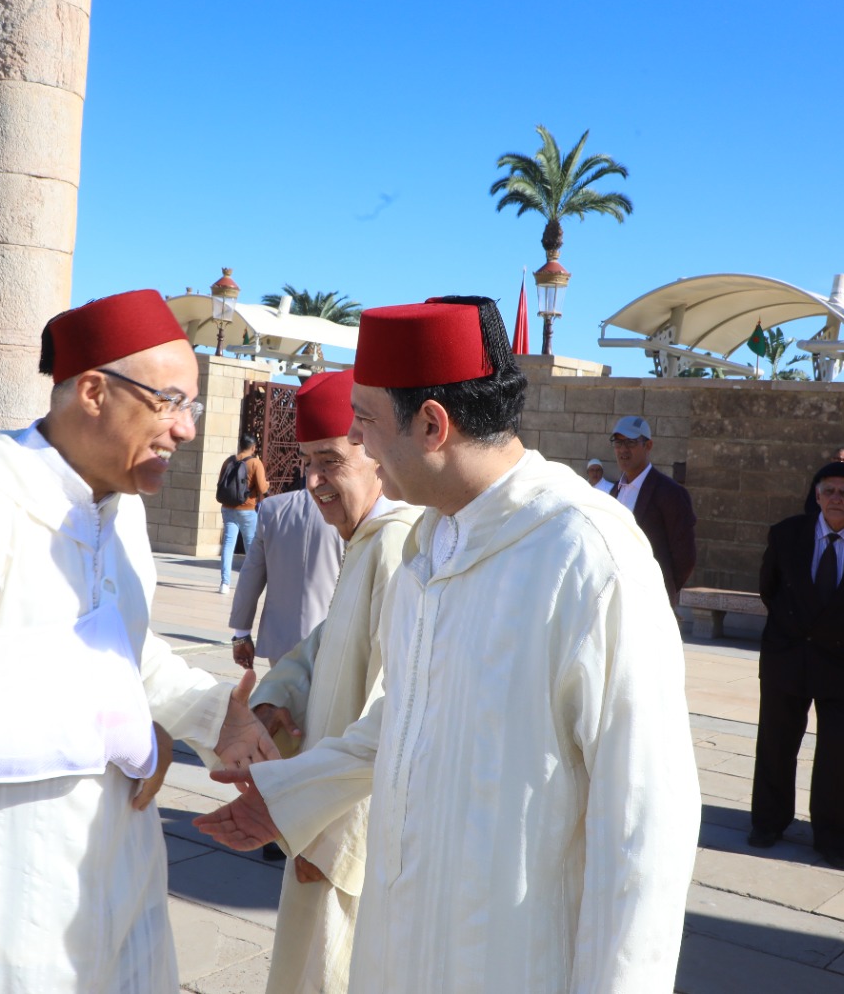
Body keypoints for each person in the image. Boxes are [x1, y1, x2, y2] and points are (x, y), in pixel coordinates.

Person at [194, 297, 700, 992]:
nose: (361, 441)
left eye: (366, 420)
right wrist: (285, 795)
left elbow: (645, 816)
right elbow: (398, 723)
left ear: (432, 424)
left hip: (509, 960)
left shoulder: (587, 555)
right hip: (401, 944)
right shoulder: (429, 546)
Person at [0, 289, 278, 994]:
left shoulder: (121, 510)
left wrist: (215, 716)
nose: (187, 430)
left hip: (109, 874)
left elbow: (123, 651)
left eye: (193, 406)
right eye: (169, 402)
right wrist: (129, 737)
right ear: (93, 391)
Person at [247, 369, 420, 994]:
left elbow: (387, 710)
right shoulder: (365, 539)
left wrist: (331, 842)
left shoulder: (397, 545)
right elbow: (323, 646)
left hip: (347, 841)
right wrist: (275, 700)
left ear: (373, 454)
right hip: (320, 816)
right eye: (306, 463)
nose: (314, 481)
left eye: (331, 462)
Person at [750, 460, 844, 870]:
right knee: (776, 742)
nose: (836, 498)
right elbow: (769, 589)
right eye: (828, 491)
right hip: (787, 655)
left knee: (838, 751)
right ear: (816, 496)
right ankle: (768, 822)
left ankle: (832, 838)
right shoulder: (786, 534)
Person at [228, 487, 343, 671]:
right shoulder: (351, 511)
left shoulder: (272, 508)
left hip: (281, 641)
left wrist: (241, 634)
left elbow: (250, 575)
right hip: (334, 640)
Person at [609, 414, 697, 606]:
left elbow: (685, 557)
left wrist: (662, 591)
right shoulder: (615, 492)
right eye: (618, 442)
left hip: (649, 601)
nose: (623, 450)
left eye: (631, 442)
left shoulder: (669, 492)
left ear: (648, 446)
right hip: (615, 598)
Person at [218, 436, 268, 594]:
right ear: (253, 448)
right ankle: (249, 582)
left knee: (228, 545)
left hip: (228, 508)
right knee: (251, 547)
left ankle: (224, 583)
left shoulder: (228, 461)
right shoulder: (255, 463)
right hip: (247, 510)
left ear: (240, 445)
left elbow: (221, 483)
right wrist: (267, 485)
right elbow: (262, 488)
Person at [803, 448, 844, 515]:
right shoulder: (822, 477)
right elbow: (811, 503)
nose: (841, 462)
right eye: (838, 459)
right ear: (832, 460)